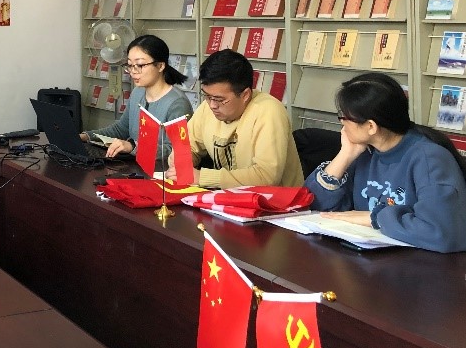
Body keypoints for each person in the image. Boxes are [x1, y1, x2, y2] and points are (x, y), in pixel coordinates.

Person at [305, 72, 466, 253]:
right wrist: (345, 155)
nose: (342, 124)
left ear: (371, 126)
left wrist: (375, 218)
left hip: (420, 264)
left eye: (344, 117)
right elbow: (312, 204)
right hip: (373, 259)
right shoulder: (367, 152)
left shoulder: (429, 158)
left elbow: (443, 233)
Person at [166, 49, 303, 188]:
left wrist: (203, 177)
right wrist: (181, 164)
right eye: (207, 96)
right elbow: (186, 146)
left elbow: (266, 176)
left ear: (245, 95)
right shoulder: (207, 107)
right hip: (228, 196)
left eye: (220, 99)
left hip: (275, 200)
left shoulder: (269, 111)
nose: (212, 105)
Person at [80, 35, 192, 161]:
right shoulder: (137, 93)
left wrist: (133, 147)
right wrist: (86, 136)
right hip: (135, 165)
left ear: (160, 66)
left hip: (161, 170)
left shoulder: (177, 103)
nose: (133, 71)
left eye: (140, 65)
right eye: (130, 65)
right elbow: (121, 129)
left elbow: (175, 150)